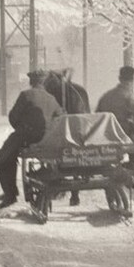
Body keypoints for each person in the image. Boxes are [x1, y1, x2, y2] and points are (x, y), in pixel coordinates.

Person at [0, 69, 63, 209]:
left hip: (26, 137)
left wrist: (21, 128)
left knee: (4, 157)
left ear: (31, 82)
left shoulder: (26, 95)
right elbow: (60, 118)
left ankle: (10, 195)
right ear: (44, 82)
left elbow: (13, 117)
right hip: (46, 139)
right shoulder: (51, 98)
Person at [96, 66, 134, 178]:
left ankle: (130, 168)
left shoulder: (106, 96)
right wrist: (133, 129)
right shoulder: (128, 95)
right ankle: (130, 167)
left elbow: (97, 115)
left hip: (107, 134)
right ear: (132, 81)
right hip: (124, 132)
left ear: (119, 79)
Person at [44, 68, 91, 206]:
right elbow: (87, 114)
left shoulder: (51, 92)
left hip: (60, 134)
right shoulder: (79, 91)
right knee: (76, 154)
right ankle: (75, 194)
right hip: (79, 133)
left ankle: (56, 184)